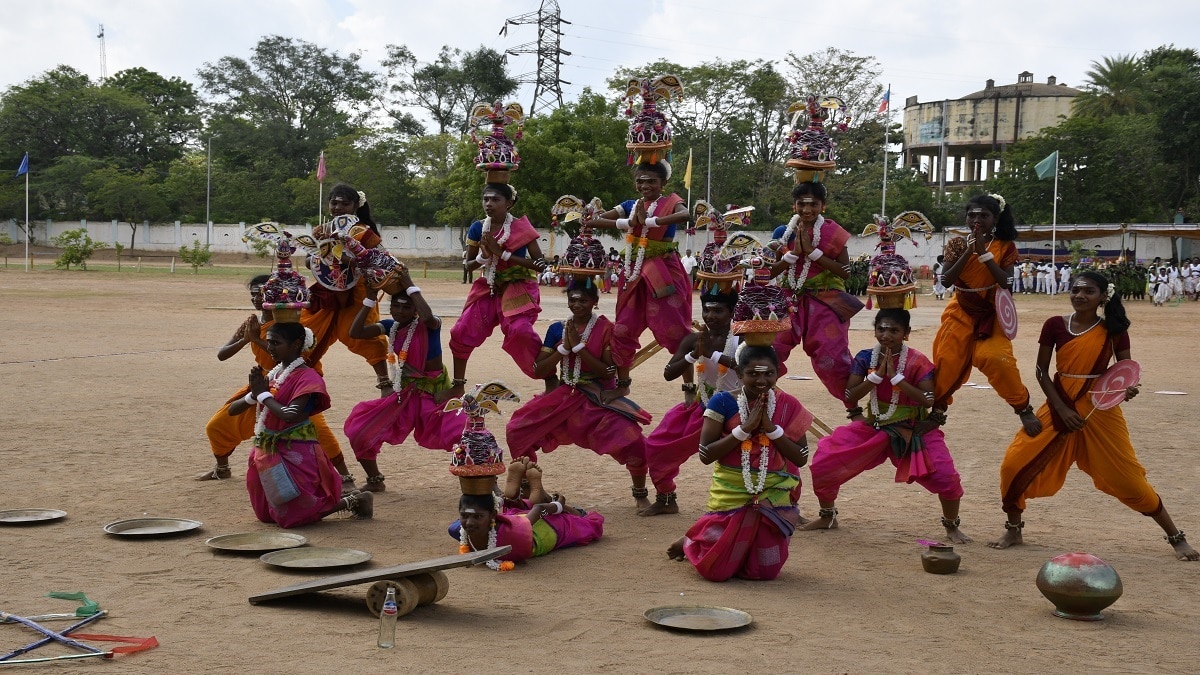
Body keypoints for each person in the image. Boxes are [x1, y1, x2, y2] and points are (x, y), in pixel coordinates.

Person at [986, 271, 1197, 560]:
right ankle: (1013, 528)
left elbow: (1125, 371)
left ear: (1102, 296)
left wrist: (1126, 390)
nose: (1080, 296)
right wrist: (1061, 408)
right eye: (1076, 290)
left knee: (1128, 479)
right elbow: (1040, 371)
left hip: (1100, 412)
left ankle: (1176, 537)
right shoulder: (1054, 325)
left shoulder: (1114, 329)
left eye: (1088, 291)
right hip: (1060, 406)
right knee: (1013, 464)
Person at [801, 309, 969, 542]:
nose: (886, 335)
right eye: (881, 329)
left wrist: (896, 377)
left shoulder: (917, 361)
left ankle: (952, 527)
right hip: (875, 426)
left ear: (906, 333)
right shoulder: (865, 357)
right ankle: (828, 516)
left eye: (894, 330)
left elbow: (928, 399)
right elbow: (850, 393)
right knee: (825, 461)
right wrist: (876, 377)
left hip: (912, 429)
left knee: (945, 476)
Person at [666, 345, 814, 582]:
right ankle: (691, 541)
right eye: (753, 374)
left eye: (768, 374)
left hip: (771, 495)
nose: (761, 380)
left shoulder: (789, 405)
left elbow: (801, 457)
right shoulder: (722, 402)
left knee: (763, 572)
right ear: (740, 373)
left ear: (777, 373)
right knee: (715, 571)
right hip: (732, 492)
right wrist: (744, 430)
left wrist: (772, 431)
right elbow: (706, 454)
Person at [505, 281, 654, 509]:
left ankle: (640, 493)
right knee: (518, 429)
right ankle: (532, 488)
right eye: (572, 300)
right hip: (565, 395)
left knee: (633, 440)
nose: (577, 305)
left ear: (594, 302)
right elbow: (540, 369)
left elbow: (606, 371)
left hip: (596, 397)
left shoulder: (606, 329)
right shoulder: (557, 329)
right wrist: (562, 349)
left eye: (583, 300)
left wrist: (578, 348)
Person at [198, 274, 354, 484]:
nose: (256, 299)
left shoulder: (289, 324)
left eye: (260, 293)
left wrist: (256, 340)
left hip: (294, 381)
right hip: (264, 382)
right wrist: (246, 339)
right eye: (253, 294)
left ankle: (345, 477)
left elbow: (297, 358)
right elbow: (222, 354)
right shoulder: (252, 323)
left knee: (319, 431)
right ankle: (222, 468)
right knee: (217, 425)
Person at [227, 321, 373, 527]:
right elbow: (233, 410)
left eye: (276, 343)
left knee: (292, 516)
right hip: (265, 449)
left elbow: (291, 415)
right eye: (269, 342)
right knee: (266, 515)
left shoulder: (308, 377)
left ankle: (353, 501)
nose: (269, 348)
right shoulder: (274, 375)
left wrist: (263, 395)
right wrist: (253, 396)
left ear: (296, 344)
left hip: (294, 452)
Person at [342, 268, 466, 493]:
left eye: (406, 306)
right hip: (406, 393)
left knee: (465, 432)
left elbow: (427, 316)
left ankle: (484, 483)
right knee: (360, 430)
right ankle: (375, 480)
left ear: (415, 309)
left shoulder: (430, 325)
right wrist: (370, 299)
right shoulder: (391, 327)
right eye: (395, 306)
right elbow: (356, 332)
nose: (400, 311)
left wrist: (409, 283)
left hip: (436, 393)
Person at [932, 194, 1042, 437]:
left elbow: (1007, 282)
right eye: (972, 215)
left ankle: (1023, 408)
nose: (976, 219)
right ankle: (935, 411)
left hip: (992, 312)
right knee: (946, 361)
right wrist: (969, 250)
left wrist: (984, 253)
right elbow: (947, 280)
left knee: (996, 358)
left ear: (995, 219)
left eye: (983, 215)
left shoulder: (1005, 246)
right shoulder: (957, 243)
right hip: (960, 309)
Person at [590, 161, 693, 382]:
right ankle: (623, 383)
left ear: (663, 183)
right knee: (623, 329)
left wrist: (652, 221)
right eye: (640, 181)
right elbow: (594, 221)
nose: (645, 185)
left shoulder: (672, 202)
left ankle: (689, 388)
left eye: (652, 181)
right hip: (633, 271)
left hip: (663, 271)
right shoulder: (629, 205)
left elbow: (685, 215)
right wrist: (628, 221)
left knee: (676, 330)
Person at [640, 291, 741, 516]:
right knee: (658, 445)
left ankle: (780, 507)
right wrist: (692, 355)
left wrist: (712, 355)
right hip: (704, 407)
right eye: (707, 310)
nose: (711, 315)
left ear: (732, 312)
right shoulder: (694, 339)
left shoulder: (741, 338)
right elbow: (668, 373)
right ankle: (666, 499)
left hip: (738, 409)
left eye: (718, 310)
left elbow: (748, 369)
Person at [449, 182, 548, 399]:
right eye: (486, 199)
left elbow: (541, 264)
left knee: (520, 331)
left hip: (518, 286)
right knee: (461, 331)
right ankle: (457, 384)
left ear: (509, 203)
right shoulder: (478, 228)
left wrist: (502, 254)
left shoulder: (521, 227)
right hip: (490, 286)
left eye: (495, 200)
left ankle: (551, 380)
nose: (489, 204)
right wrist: (485, 256)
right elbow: (469, 265)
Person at [767, 181, 860, 401]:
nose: (807, 209)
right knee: (770, 347)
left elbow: (845, 272)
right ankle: (760, 395)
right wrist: (794, 253)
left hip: (825, 300)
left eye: (813, 204)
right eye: (802, 204)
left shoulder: (832, 232)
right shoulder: (783, 232)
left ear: (823, 206)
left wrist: (812, 252)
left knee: (832, 356)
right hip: (789, 298)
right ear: (794, 206)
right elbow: (770, 272)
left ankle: (852, 406)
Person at [450, 460, 604, 569]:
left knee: (577, 521)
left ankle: (540, 498)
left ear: (492, 516)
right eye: (464, 516)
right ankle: (514, 498)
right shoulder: (459, 529)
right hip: (516, 518)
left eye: (476, 517)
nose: (469, 523)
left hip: (539, 524)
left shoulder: (512, 534)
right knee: (518, 511)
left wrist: (557, 506)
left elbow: (538, 511)